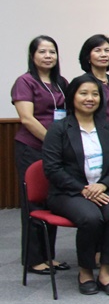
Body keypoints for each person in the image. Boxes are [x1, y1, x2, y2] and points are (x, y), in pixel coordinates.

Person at [42, 74, 109, 296]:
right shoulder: (59, 129)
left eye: (94, 94)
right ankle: (86, 271)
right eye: (83, 93)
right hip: (68, 193)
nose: (89, 98)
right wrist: (83, 189)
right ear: (72, 97)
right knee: (91, 218)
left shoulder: (108, 128)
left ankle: (106, 273)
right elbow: (52, 168)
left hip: (102, 188)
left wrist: (103, 185)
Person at [12, 36, 70, 275]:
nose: (48, 56)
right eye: (43, 52)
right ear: (33, 56)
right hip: (32, 148)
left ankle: (49, 255)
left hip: (56, 150)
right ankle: (33, 259)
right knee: (33, 202)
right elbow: (27, 118)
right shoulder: (25, 82)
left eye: (52, 52)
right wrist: (52, 143)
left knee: (51, 199)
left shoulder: (61, 83)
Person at [79, 34, 109, 129]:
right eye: (98, 50)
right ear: (88, 56)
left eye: (107, 50)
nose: (103, 54)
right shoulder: (81, 83)